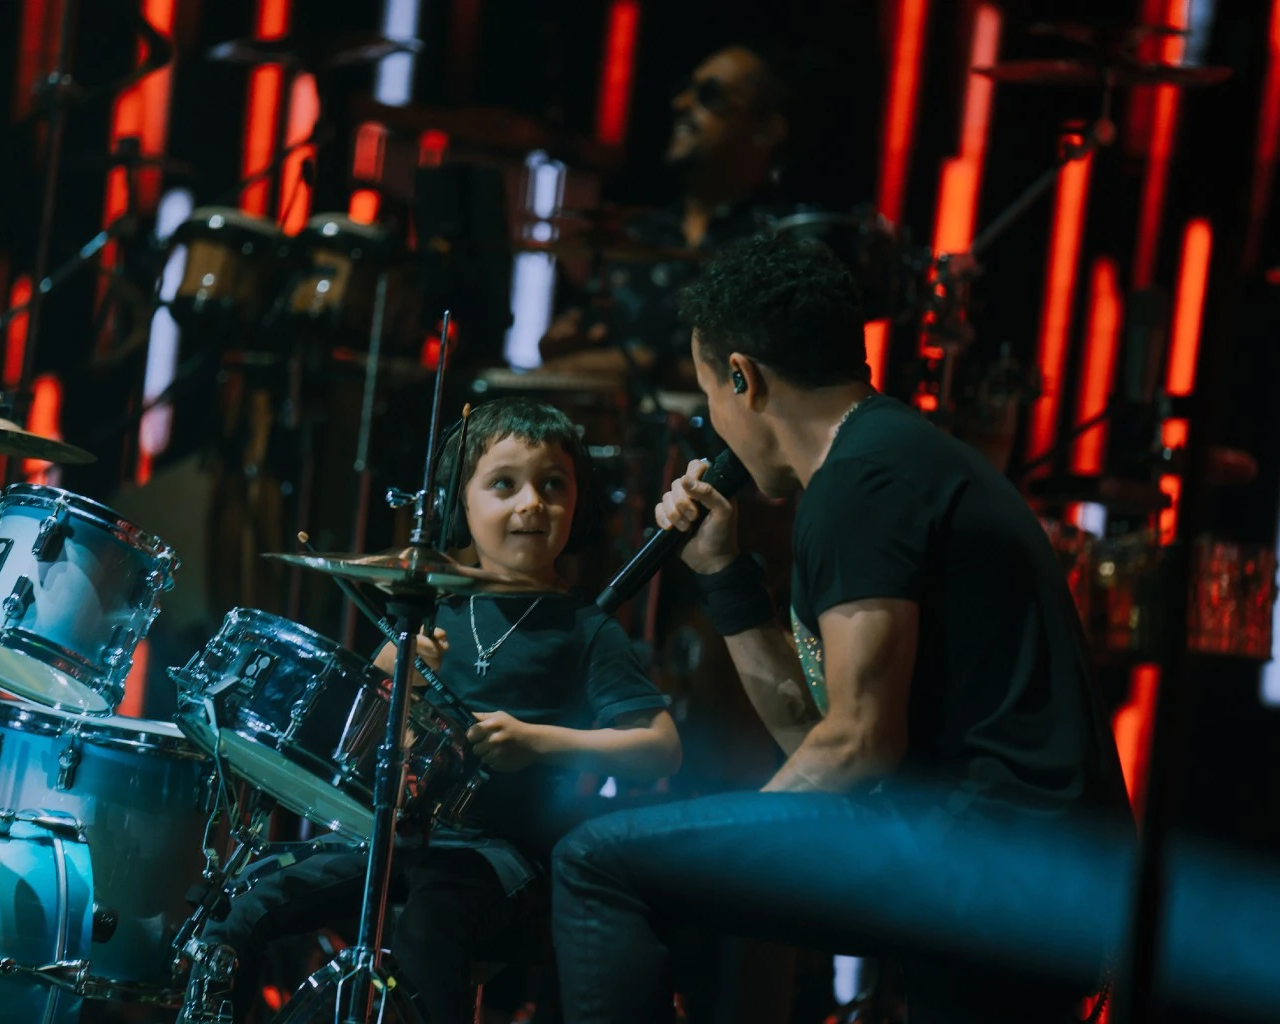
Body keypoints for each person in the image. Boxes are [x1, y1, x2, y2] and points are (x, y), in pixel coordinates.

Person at [549, 235, 1133, 1024]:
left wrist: (731, 846)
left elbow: (859, 747)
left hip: (995, 860)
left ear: (741, 378)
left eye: (708, 397)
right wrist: (724, 579)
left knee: (597, 861)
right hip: (1004, 862)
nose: (715, 427)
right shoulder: (880, 460)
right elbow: (820, 741)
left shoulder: (863, 482)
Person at [194, 398, 681, 1024]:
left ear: (578, 503)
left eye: (553, 485)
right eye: (504, 484)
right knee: (252, 901)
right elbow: (360, 733)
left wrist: (540, 741)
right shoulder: (434, 610)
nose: (532, 502)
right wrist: (394, 675)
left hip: (512, 853)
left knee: (434, 916)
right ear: (461, 504)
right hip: (407, 840)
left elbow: (659, 745)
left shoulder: (585, 630)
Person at [538, 40, 816, 388]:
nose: (681, 103)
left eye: (710, 96)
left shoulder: (785, 247)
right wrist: (565, 343)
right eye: (685, 90)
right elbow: (590, 337)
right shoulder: (637, 234)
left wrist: (648, 368)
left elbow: (787, 381)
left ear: (767, 130)